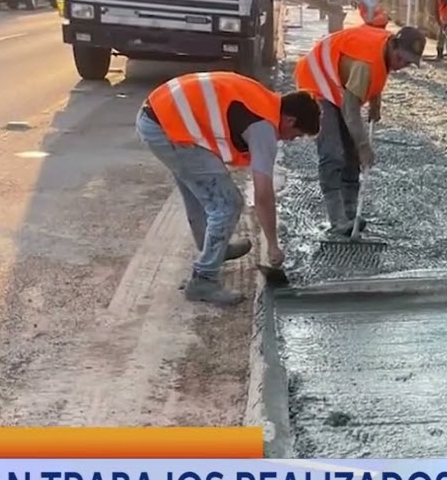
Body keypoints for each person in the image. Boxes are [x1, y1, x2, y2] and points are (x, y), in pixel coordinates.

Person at [137, 72, 322, 305]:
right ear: (290, 121)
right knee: (228, 204)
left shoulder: (264, 101)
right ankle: (204, 281)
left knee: (201, 196)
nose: (290, 140)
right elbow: (263, 195)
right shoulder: (264, 126)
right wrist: (273, 245)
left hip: (157, 116)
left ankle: (215, 250)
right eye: (296, 136)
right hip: (166, 127)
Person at [295, 25, 427, 236]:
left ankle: (350, 211)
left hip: (337, 84)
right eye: (400, 59)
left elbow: (378, 70)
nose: (401, 65)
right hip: (315, 80)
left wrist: (375, 101)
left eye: (408, 63)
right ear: (393, 45)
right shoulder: (365, 65)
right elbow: (351, 109)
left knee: (351, 153)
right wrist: (364, 146)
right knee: (332, 153)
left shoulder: (385, 46)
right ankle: (337, 219)